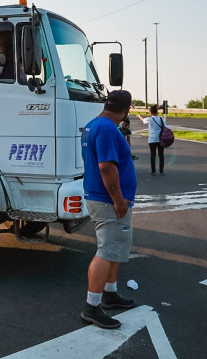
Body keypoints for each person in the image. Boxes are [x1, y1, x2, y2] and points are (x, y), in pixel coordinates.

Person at [80, 90, 137, 329]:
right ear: (127, 109)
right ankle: (92, 307)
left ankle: (110, 294)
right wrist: (118, 200)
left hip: (104, 198)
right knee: (105, 251)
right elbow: (106, 168)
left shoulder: (93, 125)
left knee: (114, 249)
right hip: (108, 201)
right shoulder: (106, 129)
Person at [137, 105, 167, 175]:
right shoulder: (161, 118)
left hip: (152, 139)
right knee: (161, 155)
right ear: (157, 111)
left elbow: (143, 120)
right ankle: (161, 171)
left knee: (153, 155)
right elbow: (165, 127)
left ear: (150, 112)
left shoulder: (150, 119)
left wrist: (139, 116)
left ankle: (153, 171)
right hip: (160, 139)